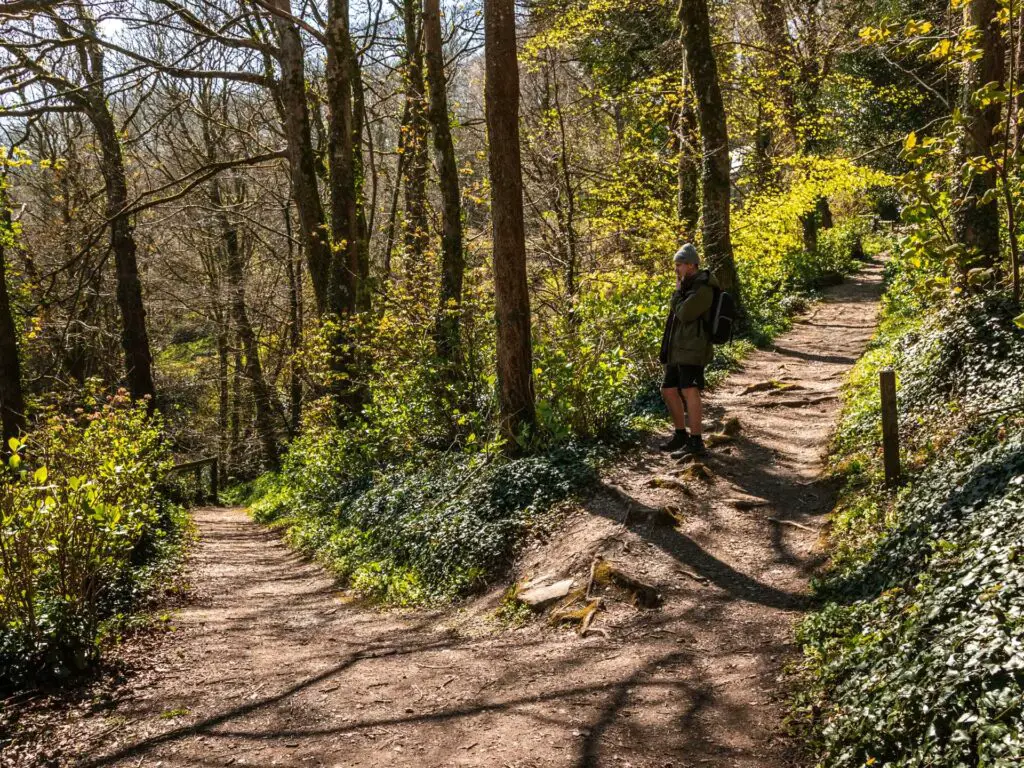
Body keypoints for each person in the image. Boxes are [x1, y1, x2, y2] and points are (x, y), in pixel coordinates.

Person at [658, 243, 718, 457]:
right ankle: (681, 434)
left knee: (689, 391)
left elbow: (684, 313)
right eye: (676, 264)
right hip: (677, 349)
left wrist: (675, 295)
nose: (676, 269)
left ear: (692, 265)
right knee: (668, 390)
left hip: (693, 349)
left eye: (680, 264)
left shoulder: (703, 288)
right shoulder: (687, 286)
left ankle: (696, 441)